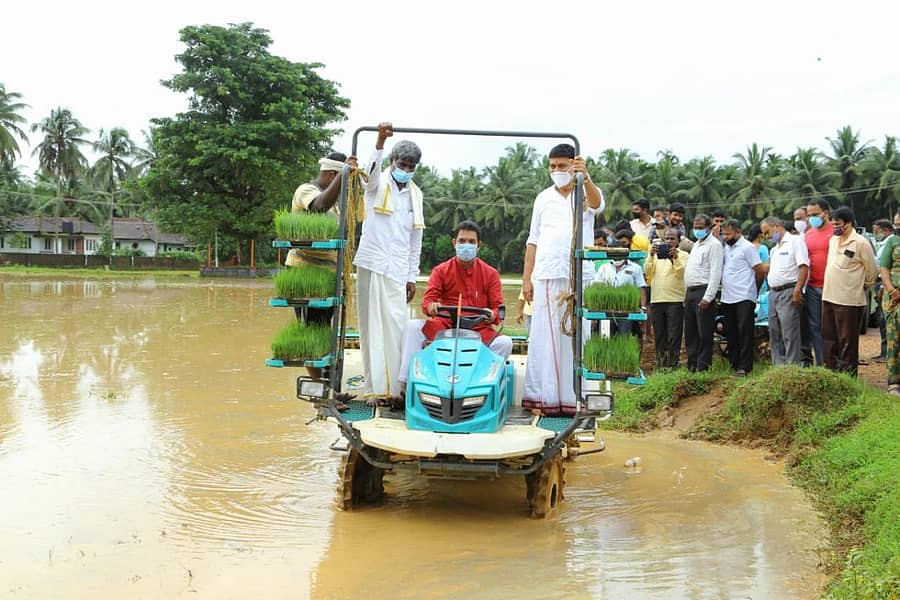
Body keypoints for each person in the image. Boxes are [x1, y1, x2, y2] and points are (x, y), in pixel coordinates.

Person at [522, 143, 604, 415]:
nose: (557, 170)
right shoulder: (542, 198)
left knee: (575, 336)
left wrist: (586, 176)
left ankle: (574, 399)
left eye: (562, 165)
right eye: (552, 166)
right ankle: (543, 399)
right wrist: (526, 280)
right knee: (544, 338)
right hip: (546, 274)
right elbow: (533, 240)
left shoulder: (583, 193)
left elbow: (598, 204)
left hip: (576, 275)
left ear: (573, 164)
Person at [354, 122, 425, 401]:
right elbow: (367, 177)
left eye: (411, 166)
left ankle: (396, 388)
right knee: (371, 326)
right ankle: (376, 388)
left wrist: (412, 276)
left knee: (397, 327)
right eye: (402, 164)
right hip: (372, 265)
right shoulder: (378, 183)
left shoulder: (415, 195)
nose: (405, 170)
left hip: (397, 271)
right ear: (393, 161)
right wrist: (380, 142)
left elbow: (414, 240)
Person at [397, 221, 511, 394]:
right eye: (462, 240)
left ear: (479, 245)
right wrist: (432, 306)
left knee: (505, 343)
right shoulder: (440, 270)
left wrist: (491, 314)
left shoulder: (490, 273)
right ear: (454, 243)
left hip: (478, 328)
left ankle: (482, 386)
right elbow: (427, 301)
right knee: (412, 327)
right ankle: (406, 385)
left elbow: (498, 307)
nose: (466, 245)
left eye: (471, 242)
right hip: (445, 325)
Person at [285, 151, 357, 323]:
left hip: (328, 272)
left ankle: (323, 351)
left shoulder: (334, 205)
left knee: (323, 327)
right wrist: (344, 174)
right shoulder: (306, 190)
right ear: (333, 175)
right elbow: (318, 206)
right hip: (306, 270)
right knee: (308, 326)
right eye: (343, 181)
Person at [821, 207, 878, 376]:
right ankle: (831, 373)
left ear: (849, 223)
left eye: (838, 224)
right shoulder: (833, 240)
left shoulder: (860, 243)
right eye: (833, 224)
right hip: (829, 296)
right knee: (829, 338)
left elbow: (872, 271)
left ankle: (848, 376)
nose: (835, 227)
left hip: (849, 300)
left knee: (848, 341)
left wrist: (861, 285)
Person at [761, 216, 809, 365]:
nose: (766, 236)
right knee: (775, 333)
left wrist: (797, 290)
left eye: (767, 232)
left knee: (790, 333)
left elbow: (804, 267)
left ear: (777, 226)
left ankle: (792, 368)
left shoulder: (795, 242)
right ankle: (778, 368)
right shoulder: (774, 249)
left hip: (789, 291)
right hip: (773, 293)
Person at [720, 220, 764, 376]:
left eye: (728, 234)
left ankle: (745, 367)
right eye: (723, 234)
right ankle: (734, 363)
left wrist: (753, 291)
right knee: (731, 332)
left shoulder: (748, 248)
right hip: (727, 297)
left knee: (744, 332)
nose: (725, 237)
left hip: (744, 296)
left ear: (738, 232)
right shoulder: (725, 248)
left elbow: (759, 271)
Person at [683, 214, 723, 372]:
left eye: (701, 228)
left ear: (708, 228)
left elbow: (715, 273)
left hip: (703, 291)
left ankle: (703, 366)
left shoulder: (714, 245)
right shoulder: (697, 245)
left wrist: (708, 297)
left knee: (704, 333)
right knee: (691, 332)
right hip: (690, 292)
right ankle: (692, 365)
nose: (698, 230)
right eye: (695, 227)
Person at [644, 228, 687, 368]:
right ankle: (661, 363)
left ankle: (673, 363)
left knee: (674, 334)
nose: (669, 241)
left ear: (678, 241)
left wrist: (674, 259)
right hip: (657, 300)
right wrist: (650, 255)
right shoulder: (656, 255)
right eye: (667, 239)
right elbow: (646, 271)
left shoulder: (684, 255)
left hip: (675, 300)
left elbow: (683, 275)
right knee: (660, 333)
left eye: (672, 239)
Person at [593, 246, 647, 336]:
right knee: (605, 337)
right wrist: (595, 308)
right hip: (606, 310)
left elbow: (641, 288)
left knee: (624, 337)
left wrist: (643, 307)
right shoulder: (604, 267)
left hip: (627, 311)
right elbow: (596, 287)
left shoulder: (635, 268)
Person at [804, 199, 832, 366]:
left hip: (832, 287)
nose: (812, 218)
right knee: (815, 327)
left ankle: (834, 362)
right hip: (813, 287)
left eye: (815, 214)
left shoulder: (835, 233)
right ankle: (821, 363)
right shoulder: (808, 234)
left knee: (832, 327)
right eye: (809, 215)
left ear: (825, 213)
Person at [878, 211, 900, 394]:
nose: (897, 227)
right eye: (896, 224)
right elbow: (884, 267)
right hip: (894, 299)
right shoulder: (892, 242)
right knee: (894, 339)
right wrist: (892, 289)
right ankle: (894, 381)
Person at [871, 219, 895, 362]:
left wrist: (882, 287)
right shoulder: (884, 243)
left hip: (885, 284)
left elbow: (885, 267)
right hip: (881, 282)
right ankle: (884, 352)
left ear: (885, 231)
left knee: (884, 318)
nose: (875, 234)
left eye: (876, 231)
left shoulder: (891, 243)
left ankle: (887, 353)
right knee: (882, 319)